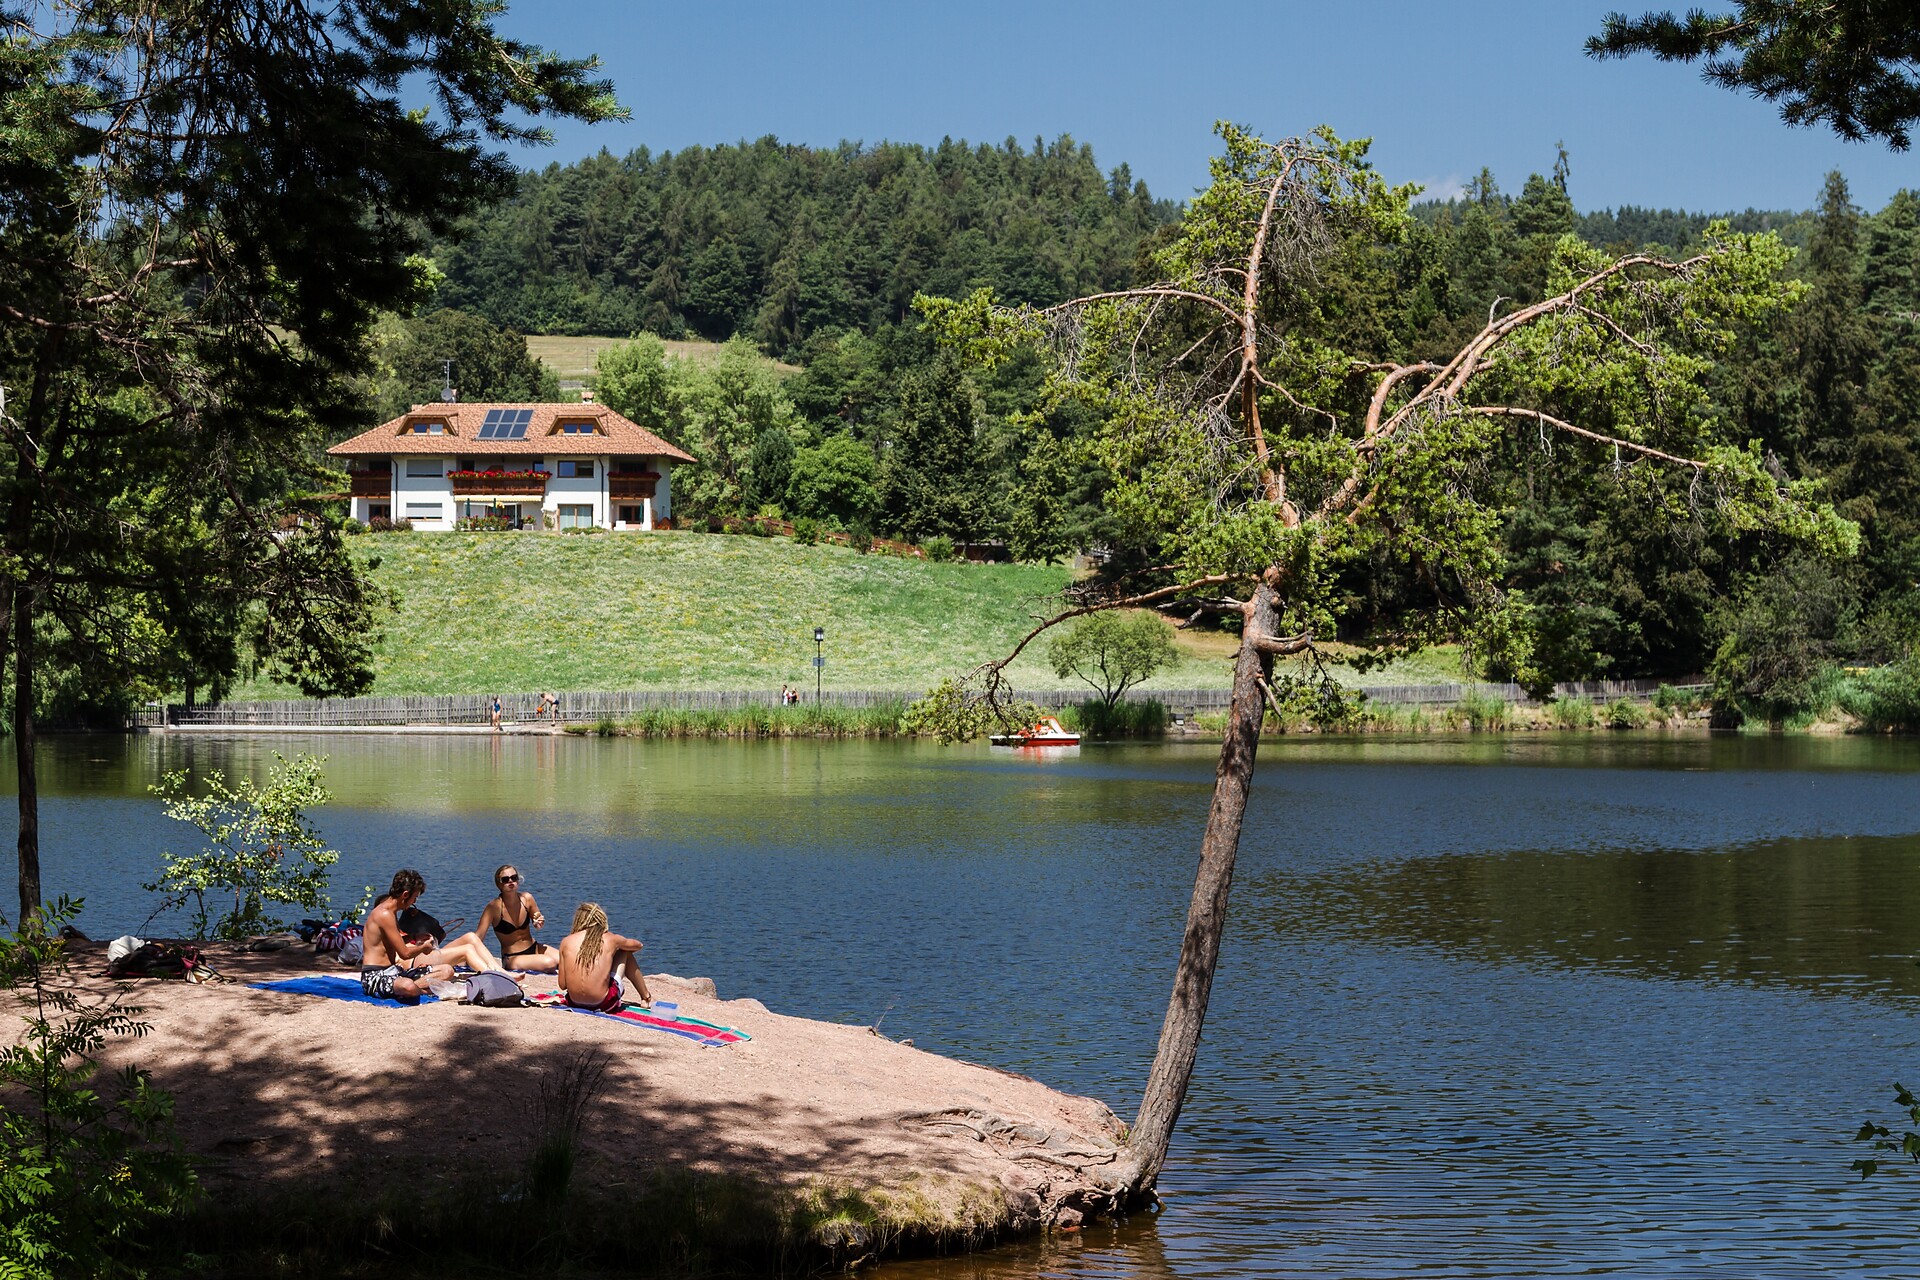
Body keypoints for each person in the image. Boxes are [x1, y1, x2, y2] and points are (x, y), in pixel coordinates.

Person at [360, 869, 454, 1001]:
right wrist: (423, 947)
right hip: (375, 976)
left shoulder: (391, 912)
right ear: (405, 895)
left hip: (394, 971)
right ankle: (418, 990)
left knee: (447, 970)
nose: (414, 902)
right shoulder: (384, 914)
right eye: (414, 897)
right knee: (408, 986)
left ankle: (414, 989)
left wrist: (414, 937)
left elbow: (390, 942)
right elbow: (405, 954)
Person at [557, 901, 652, 1011]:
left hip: (574, 1002)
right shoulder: (610, 939)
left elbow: (563, 985)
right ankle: (645, 997)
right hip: (603, 1003)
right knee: (624, 951)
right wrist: (614, 951)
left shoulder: (566, 941)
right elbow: (638, 945)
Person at [475, 863, 558, 972]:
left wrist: (538, 922)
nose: (510, 881)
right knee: (549, 963)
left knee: (567, 959)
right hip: (512, 957)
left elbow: (537, 918)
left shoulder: (527, 898)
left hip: (534, 948)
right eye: (505, 879)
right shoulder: (493, 907)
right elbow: (478, 937)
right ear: (499, 885)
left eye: (514, 878)